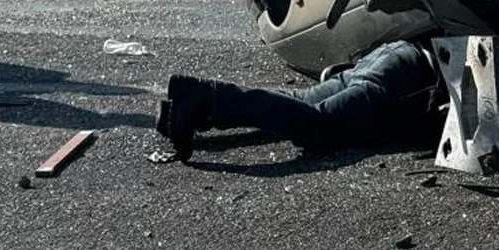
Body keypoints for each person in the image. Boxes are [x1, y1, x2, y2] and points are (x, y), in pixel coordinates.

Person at [156, 40, 441, 161]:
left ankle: (188, 111)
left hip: (397, 55)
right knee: (315, 125)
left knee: (299, 103)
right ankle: (203, 97)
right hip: (410, 78)